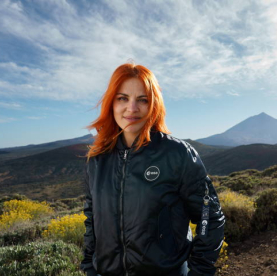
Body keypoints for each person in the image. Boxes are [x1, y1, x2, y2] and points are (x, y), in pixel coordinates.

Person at [80, 62, 225, 276]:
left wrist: (200, 272)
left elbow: (208, 216)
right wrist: (89, 267)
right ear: (111, 103)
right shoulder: (97, 159)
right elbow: (92, 218)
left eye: (142, 100)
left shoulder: (177, 154)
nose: (132, 108)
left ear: (154, 105)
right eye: (123, 98)